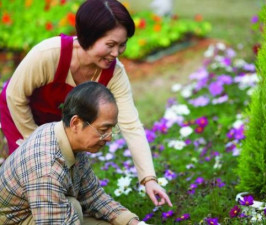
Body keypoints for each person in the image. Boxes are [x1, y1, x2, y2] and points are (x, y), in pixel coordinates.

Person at [0, 0, 170, 207]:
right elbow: (15, 97)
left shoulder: (114, 73)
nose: (116, 53)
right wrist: (36, 146)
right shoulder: (49, 54)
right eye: (110, 45)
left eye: (122, 44)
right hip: (19, 116)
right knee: (24, 180)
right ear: (87, 37)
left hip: (59, 127)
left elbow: (131, 125)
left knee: (61, 186)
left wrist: (148, 179)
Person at [0, 81, 169, 224]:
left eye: (112, 128)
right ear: (76, 123)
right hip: (17, 220)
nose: (109, 137)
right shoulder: (46, 167)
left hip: (40, 211)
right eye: (104, 129)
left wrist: (132, 222)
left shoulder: (67, 138)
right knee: (73, 206)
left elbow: (92, 195)